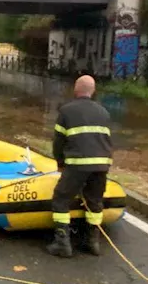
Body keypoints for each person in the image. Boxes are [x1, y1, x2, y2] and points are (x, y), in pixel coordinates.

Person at [46, 75, 112, 258]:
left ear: (76, 89)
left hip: (77, 164)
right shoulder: (104, 112)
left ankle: (62, 243)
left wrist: (60, 163)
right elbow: (106, 140)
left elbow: (58, 142)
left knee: (61, 198)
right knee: (95, 202)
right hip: (102, 164)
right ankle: (92, 242)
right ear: (93, 91)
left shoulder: (66, 111)